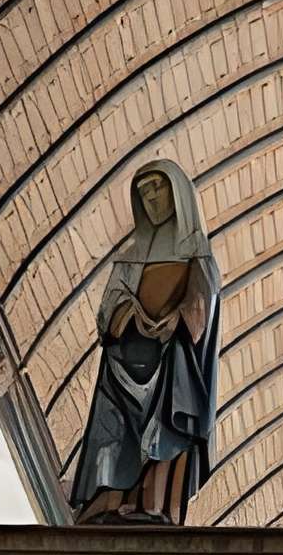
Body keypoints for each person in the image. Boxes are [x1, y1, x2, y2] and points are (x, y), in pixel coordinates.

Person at [70, 159, 218, 524]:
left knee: (166, 426)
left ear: (177, 193)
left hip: (170, 358)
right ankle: (111, 498)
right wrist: (130, 315)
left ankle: (153, 502)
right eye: (143, 192)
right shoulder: (132, 256)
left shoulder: (196, 252)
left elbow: (201, 303)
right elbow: (110, 307)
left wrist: (174, 320)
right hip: (127, 356)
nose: (150, 198)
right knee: (119, 426)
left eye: (157, 188)